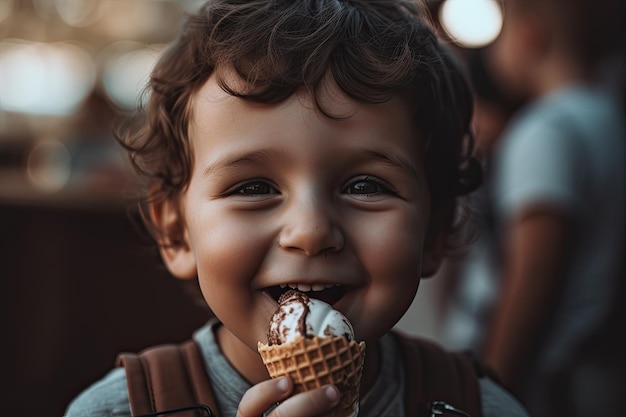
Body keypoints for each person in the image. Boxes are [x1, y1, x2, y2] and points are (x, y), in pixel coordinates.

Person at [64, 1, 529, 416]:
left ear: (436, 229)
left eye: (365, 185)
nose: (309, 231)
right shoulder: (116, 410)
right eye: (253, 187)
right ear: (176, 231)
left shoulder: (478, 407)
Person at [457, 0, 625, 416]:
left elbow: (533, 271)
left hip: (543, 382)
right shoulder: (608, 115)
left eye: (502, 33)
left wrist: (491, 386)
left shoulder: (545, 130)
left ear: (530, 32)